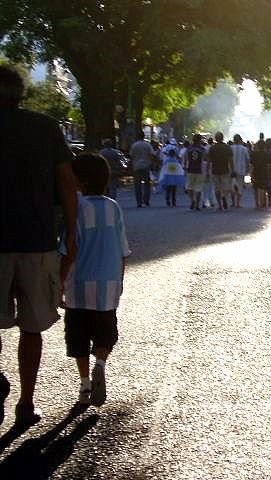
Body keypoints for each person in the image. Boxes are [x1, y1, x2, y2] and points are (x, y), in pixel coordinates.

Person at [0, 64, 78, 426]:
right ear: (20, 94)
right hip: (37, 240)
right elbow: (66, 182)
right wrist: (74, 231)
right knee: (32, 326)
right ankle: (26, 402)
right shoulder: (45, 127)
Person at [60, 153, 131, 406]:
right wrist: (119, 281)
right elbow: (123, 249)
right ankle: (100, 363)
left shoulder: (76, 208)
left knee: (78, 338)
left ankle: (84, 385)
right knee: (105, 335)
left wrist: (59, 281)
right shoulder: (113, 207)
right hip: (107, 286)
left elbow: (70, 248)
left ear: (82, 181)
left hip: (79, 286)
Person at [208, 132, 234, 211]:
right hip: (225, 170)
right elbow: (231, 160)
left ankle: (219, 205)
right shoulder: (227, 147)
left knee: (217, 188)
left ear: (215, 138)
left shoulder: (212, 148)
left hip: (215, 170)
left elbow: (209, 160)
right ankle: (224, 197)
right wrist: (233, 169)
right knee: (226, 187)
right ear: (222, 138)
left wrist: (207, 170)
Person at [129, 131, 156, 207]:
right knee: (147, 184)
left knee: (137, 185)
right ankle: (146, 200)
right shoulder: (147, 145)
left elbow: (131, 155)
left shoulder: (134, 145)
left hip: (136, 166)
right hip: (146, 166)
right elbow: (152, 154)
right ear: (144, 136)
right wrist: (151, 162)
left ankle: (139, 201)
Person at [158, 139, 185, 207]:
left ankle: (167, 199)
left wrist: (161, 177)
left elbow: (163, 169)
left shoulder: (166, 161)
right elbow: (180, 169)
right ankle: (173, 201)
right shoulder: (176, 161)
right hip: (175, 178)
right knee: (173, 190)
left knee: (168, 189)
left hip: (167, 177)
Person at [185, 134, 208, 210]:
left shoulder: (189, 148)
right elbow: (205, 159)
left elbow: (186, 159)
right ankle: (197, 204)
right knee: (198, 188)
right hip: (199, 169)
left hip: (190, 169)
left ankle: (192, 200)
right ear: (200, 140)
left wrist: (185, 168)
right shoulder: (202, 149)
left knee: (189, 187)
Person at [250, 140, 271, 209]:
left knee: (256, 188)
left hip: (256, 173)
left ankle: (257, 203)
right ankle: (263, 203)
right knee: (263, 188)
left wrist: (251, 174)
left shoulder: (254, 154)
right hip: (264, 173)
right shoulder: (267, 154)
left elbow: (252, 165)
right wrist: (269, 173)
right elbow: (269, 165)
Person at [230, 134, 250, 207]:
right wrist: (248, 169)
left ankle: (233, 203)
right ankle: (238, 203)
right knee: (240, 186)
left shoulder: (230, 148)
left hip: (232, 170)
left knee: (232, 186)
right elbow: (247, 160)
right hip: (241, 170)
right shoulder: (244, 149)